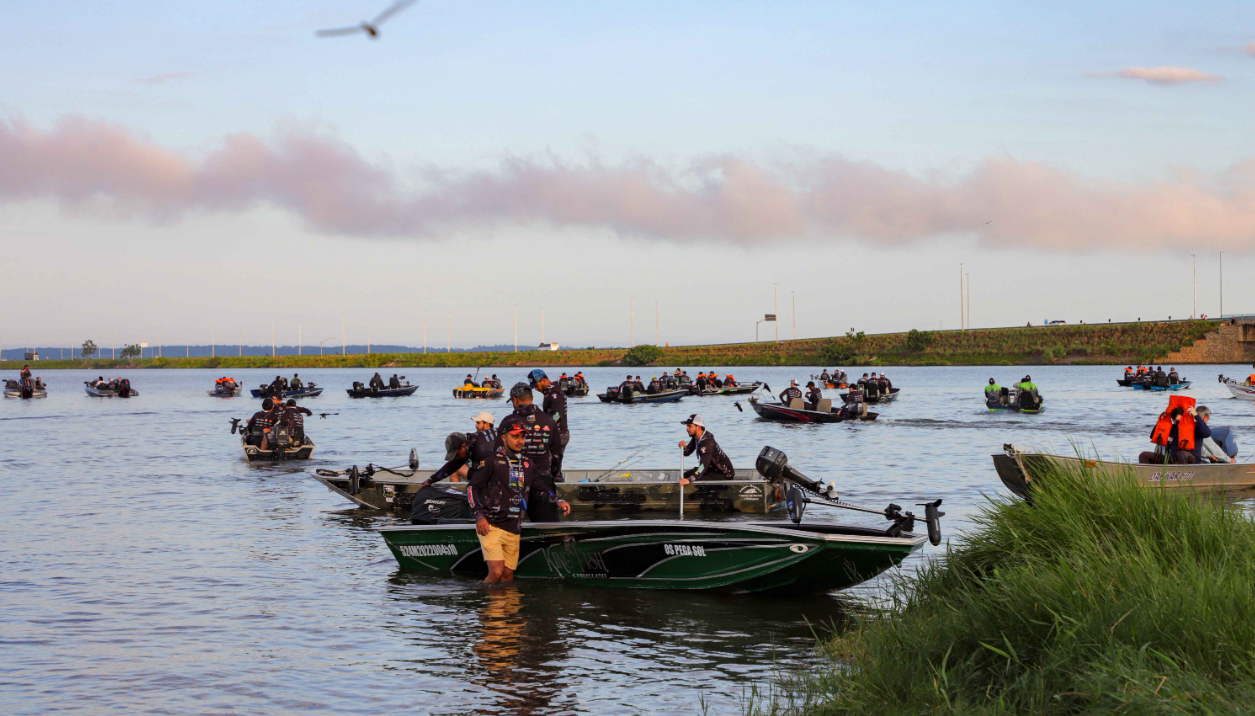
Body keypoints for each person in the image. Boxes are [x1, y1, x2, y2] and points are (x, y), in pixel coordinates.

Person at [468, 416, 571, 584]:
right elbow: (472, 487)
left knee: (508, 576)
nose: (520, 440)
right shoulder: (491, 461)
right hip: (491, 526)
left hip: (514, 527)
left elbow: (541, 489)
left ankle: (506, 607)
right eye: (515, 436)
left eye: (522, 436)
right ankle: (485, 605)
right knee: (496, 572)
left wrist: (557, 500)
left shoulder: (528, 464)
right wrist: (479, 516)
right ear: (504, 437)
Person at [507, 382, 562, 520]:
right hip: (543, 479)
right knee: (548, 527)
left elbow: (497, 454)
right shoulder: (549, 421)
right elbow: (557, 455)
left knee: (510, 526)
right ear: (531, 398)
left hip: (516, 480)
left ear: (515, 399)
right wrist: (553, 475)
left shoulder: (508, 421)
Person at [530, 369, 569, 482]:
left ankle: (557, 486)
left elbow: (558, 415)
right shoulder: (549, 392)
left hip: (559, 433)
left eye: (536, 385)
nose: (536, 389)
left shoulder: (555, 394)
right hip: (553, 432)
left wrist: (544, 427)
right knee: (550, 463)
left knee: (551, 464)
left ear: (543, 380)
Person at [1140, 403, 1211, 465]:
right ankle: (1149, 476)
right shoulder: (1173, 428)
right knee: (1143, 455)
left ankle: (1183, 478)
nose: (1178, 423)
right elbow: (1153, 436)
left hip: (1192, 460)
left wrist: (1196, 415)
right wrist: (1160, 422)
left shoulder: (1196, 426)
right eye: (1176, 421)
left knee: (1182, 454)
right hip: (1173, 460)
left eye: (1180, 421)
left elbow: (1207, 433)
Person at [677, 414, 735, 484]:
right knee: (684, 476)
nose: (687, 428)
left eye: (690, 426)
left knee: (695, 482)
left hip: (724, 474)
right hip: (711, 470)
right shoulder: (696, 437)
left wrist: (689, 480)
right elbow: (687, 453)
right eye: (687, 426)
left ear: (698, 427)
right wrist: (683, 447)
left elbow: (703, 466)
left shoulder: (707, 444)